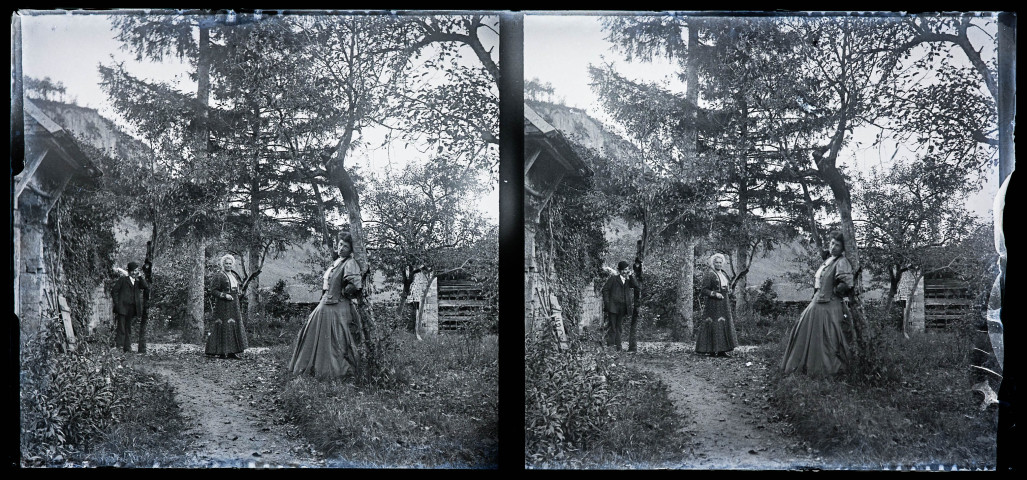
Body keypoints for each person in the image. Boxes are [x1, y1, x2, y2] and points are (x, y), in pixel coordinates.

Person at [287, 233, 362, 379]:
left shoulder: (350, 263)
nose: (341, 248)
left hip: (336, 306)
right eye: (340, 244)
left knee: (333, 341)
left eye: (346, 246)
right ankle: (316, 370)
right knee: (316, 337)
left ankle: (332, 372)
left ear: (351, 250)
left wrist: (343, 293)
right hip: (326, 304)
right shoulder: (338, 262)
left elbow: (354, 284)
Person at [781, 231, 854, 376]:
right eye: (832, 243)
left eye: (838, 245)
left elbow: (846, 283)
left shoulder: (841, 262)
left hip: (829, 306)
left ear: (843, 248)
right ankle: (806, 369)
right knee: (808, 336)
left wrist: (834, 292)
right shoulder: (829, 260)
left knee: (826, 339)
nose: (833, 247)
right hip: (817, 303)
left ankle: (824, 371)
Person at [695, 253, 739, 357]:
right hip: (713, 304)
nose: (718, 264)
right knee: (714, 323)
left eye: (720, 262)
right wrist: (715, 294)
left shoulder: (723, 273)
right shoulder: (710, 273)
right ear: (713, 263)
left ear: (722, 263)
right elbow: (704, 290)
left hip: (724, 303)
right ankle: (711, 350)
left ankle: (722, 350)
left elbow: (726, 286)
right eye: (716, 262)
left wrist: (728, 291)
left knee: (723, 323)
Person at [205, 254, 248, 359]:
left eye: (230, 264)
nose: (228, 265)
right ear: (223, 264)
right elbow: (213, 290)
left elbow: (235, 288)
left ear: (232, 264)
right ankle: (221, 351)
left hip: (234, 304)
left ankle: (232, 351)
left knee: (233, 325)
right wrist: (224, 295)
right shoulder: (219, 275)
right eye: (226, 263)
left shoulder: (233, 275)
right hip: (223, 305)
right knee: (224, 325)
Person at [601, 260, 640, 352]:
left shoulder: (628, 281)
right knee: (613, 327)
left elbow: (637, 287)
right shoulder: (613, 279)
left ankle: (618, 348)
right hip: (613, 307)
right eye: (623, 270)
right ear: (619, 270)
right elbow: (605, 290)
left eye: (626, 269)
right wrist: (607, 303)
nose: (624, 271)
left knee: (619, 327)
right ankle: (611, 347)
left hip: (623, 308)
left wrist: (630, 275)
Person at [111, 261, 148, 353]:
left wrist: (140, 276)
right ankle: (119, 347)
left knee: (128, 328)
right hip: (122, 308)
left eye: (136, 270)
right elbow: (114, 291)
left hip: (132, 309)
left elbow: (145, 286)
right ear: (130, 271)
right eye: (134, 271)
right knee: (121, 328)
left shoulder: (137, 282)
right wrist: (117, 303)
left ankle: (127, 348)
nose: (135, 272)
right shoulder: (123, 280)